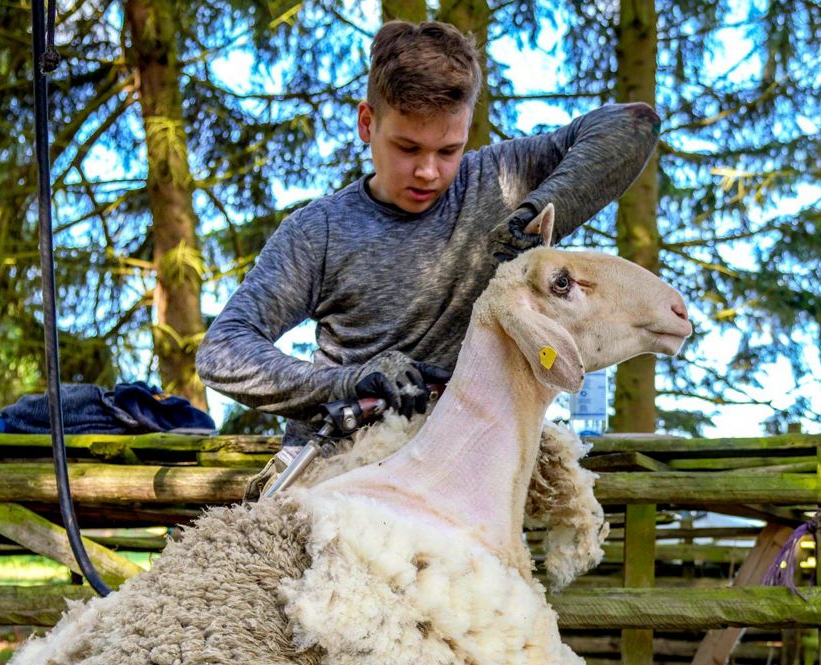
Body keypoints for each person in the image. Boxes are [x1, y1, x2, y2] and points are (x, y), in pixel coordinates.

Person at [195, 19, 660, 443]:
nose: (428, 172)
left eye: (448, 150)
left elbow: (633, 125)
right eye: (407, 147)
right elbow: (223, 350)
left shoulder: (500, 180)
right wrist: (352, 380)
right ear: (366, 123)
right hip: (341, 474)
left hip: (466, 470)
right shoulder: (318, 232)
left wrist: (530, 216)